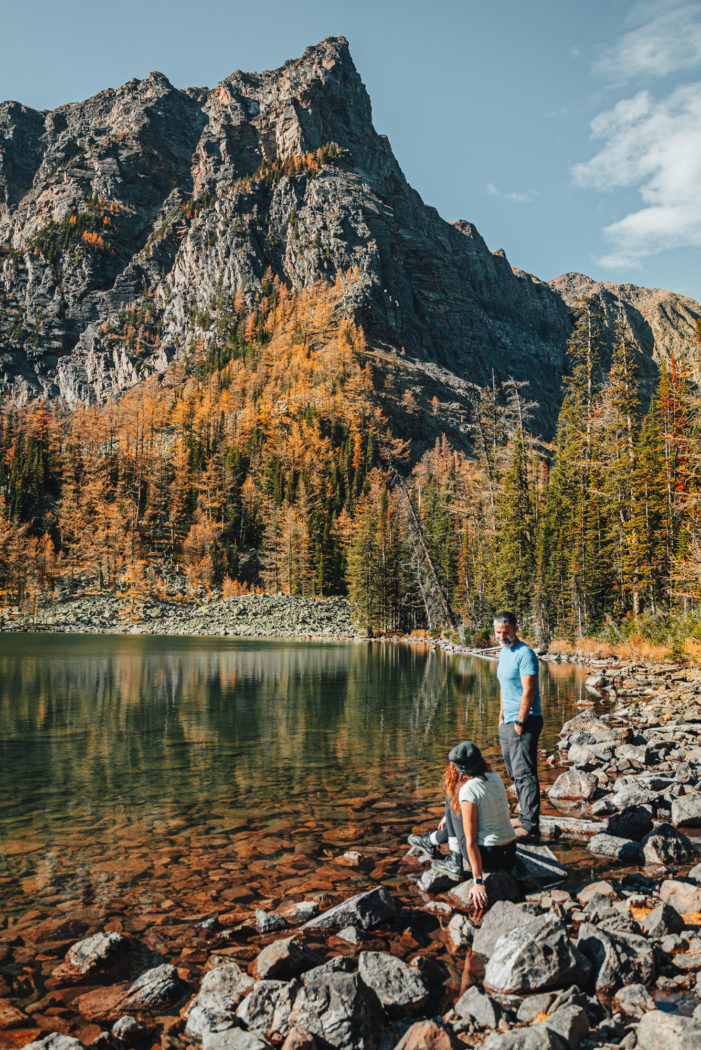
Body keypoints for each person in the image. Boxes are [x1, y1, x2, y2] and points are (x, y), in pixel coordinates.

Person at [408, 740, 516, 908]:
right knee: (454, 803)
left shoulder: (468, 790)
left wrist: (478, 881)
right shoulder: (495, 777)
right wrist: (451, 817)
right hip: (509, 852)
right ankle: (432, 840)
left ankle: (453, 859)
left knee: (452, 797)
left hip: (489, 857)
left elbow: (470, 841)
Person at [494, 610, 543, 842]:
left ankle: (530, 824)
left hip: (526, 719)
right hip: (508, 720)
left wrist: (520, 722)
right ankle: (524, 814)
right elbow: (504, 687)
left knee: (525, 773)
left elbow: (529, 690)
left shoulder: (525, 654)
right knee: (514, 772)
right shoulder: (504, 653)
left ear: (515, 629)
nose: (501, 637)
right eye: (497, 633)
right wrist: (502, 716)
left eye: (505, 632)